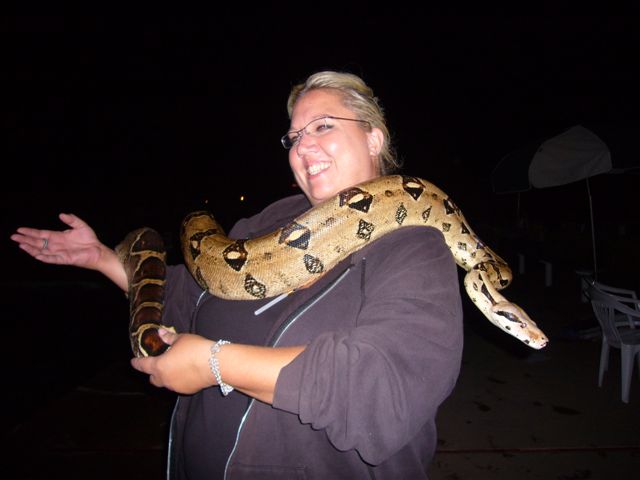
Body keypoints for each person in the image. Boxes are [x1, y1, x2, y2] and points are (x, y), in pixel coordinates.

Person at [11, 71, 464, 479]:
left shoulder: (414, 248)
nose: (302, 147)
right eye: (293, 137)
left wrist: (214, 364)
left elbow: (382, 391)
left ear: (373, 139)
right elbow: (191, 302)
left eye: (323, 126)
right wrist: (104, 260)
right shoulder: (266, 223)